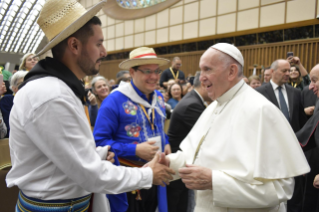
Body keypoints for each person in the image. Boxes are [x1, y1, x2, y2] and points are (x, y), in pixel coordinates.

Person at [6, 1, 174, 212]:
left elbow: (61, 155)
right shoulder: (52, 95)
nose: (104, 52)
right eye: (98, 44)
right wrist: (148, 175)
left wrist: (99, 154)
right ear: (75, 46)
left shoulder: (58, 88)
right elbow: (90, 174)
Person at [163, 43, 310, 211]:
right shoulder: (213, 107)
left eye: (207, 69)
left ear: (231, 72)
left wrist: (214, 182)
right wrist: (167, 164)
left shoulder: (261, 110)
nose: (201, 78)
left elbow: (280, 190)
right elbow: (194, 155)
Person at [94, 47, 171, 212]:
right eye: (147, 71)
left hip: (155, 176)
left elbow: (157, 126)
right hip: (128, 181)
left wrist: (166, 142)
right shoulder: (113, 101)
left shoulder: (158, 97)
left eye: (157, 71)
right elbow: (99, 142)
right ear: (132, 72)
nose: (154, 76)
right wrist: (135, 150)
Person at [166, 71, 211, 212]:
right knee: (177, 204)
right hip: (178, 163)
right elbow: (209, 135)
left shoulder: (193, 100)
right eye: (210, 86)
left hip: (181, 162)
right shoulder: (192, 104)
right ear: (203, 84)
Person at [0, 71, 27, 138]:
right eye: (22, 83)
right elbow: (8, 128)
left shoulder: (35, 100)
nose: (26, 85)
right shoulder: (7, 100)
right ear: (14, 88)